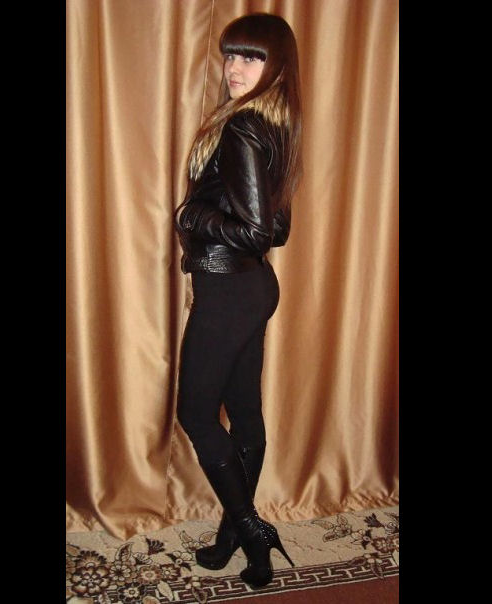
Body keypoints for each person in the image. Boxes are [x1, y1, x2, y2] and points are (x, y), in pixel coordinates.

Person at [173, 13, 302, 589]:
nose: (234, 67)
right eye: (230, 54)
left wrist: (191, 215)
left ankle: (249, 527)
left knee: (196, 414)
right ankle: (236, 534)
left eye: (251, 56)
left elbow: (256, 231)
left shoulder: (244, 127)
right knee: (245, 411)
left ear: (276, 65)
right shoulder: (274, 124)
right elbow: (278, 230)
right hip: (252, 288)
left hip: (229, 292)